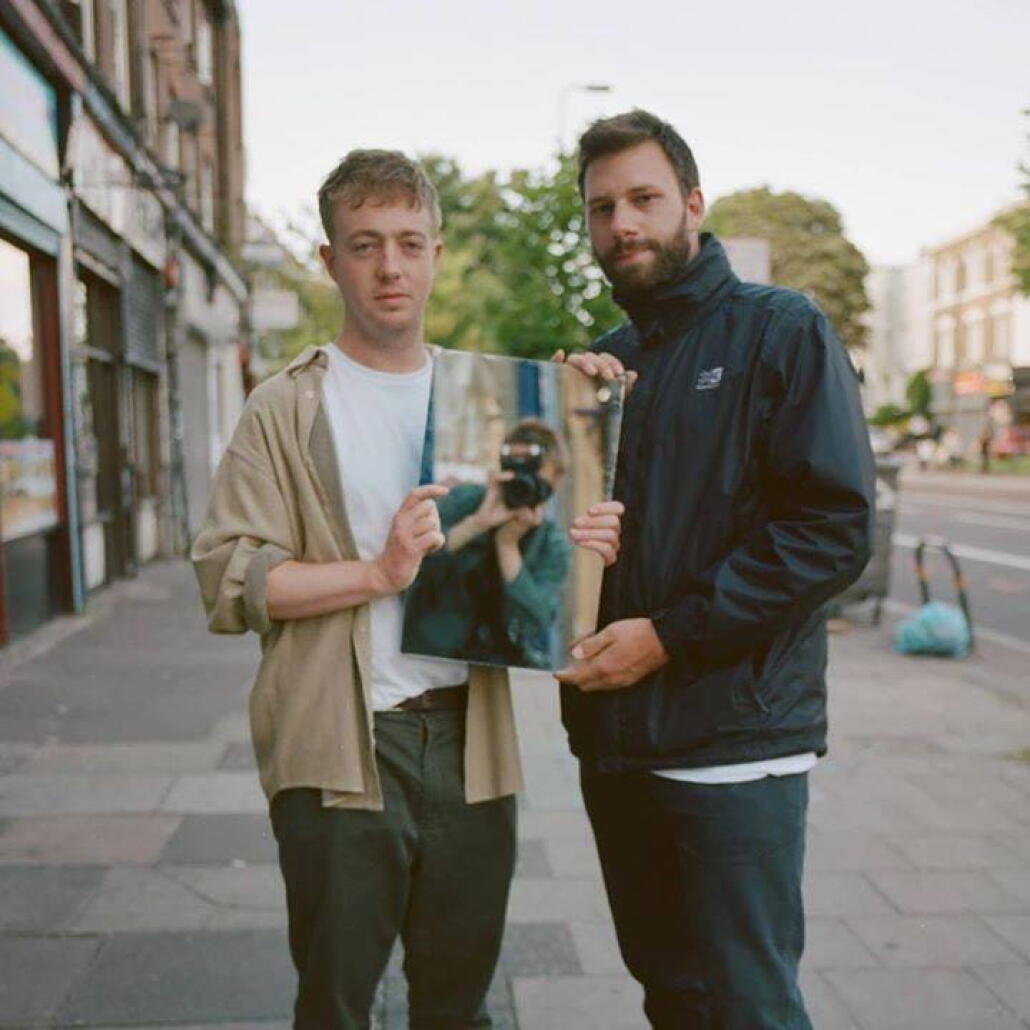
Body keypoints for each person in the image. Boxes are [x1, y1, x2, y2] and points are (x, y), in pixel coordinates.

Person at [191, 149, 622, 1030]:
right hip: (343, 744)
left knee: (457, 1006)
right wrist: (379, 574)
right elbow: (230, 580)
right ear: (329, 259)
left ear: (436, 252)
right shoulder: (287, 405)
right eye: (364, 245)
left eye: (409, 243)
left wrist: (594, 505)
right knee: (339, 1003)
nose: (390, 267)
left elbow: (542, 587)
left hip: (472, 742)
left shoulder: (498, 395)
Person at [553, 110, 875, 1029]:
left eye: (645, 198)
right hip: (617, 739)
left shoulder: (782, 329)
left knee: (748, 1004)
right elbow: (579, 554)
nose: (623, 224)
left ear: (693, 203)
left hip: (736, 742)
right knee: (672, 996)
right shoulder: (606, 366)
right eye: (602, 207)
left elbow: (833, 529)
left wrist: (666, 637)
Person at [404, 419, 572, 669]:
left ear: (556, 482)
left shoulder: (551, 542)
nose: (523, 486)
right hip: (434, 657)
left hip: (503, 664)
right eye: (518, 474)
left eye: (533, 479)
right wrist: (478, 523)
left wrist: (507, 544)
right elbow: (411, 564)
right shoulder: (467, 502)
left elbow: (537, 619)